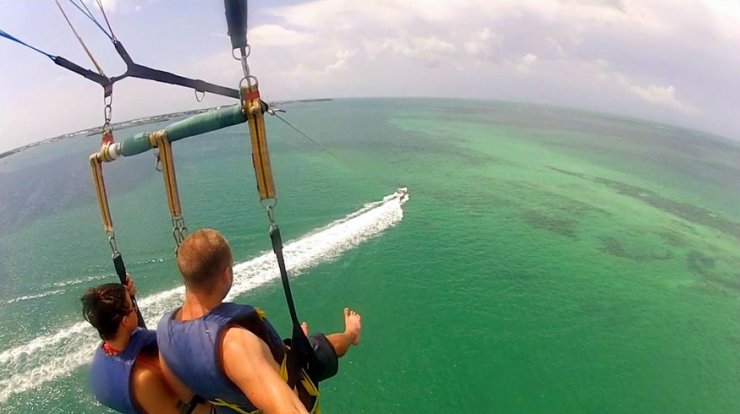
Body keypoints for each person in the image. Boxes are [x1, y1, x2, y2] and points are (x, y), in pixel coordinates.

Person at [157, 228, 362, 414]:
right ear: (227, 275)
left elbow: (184, 395)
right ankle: (351, 334)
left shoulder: (165, 329)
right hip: (286, 383)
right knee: (322, 349)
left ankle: (289, 350)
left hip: (229, 402)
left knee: (298, 346)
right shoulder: (234, 344)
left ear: (186, 278)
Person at [81, 276, 211, 414]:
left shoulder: (109, 348)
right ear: (125, 321)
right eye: (133, 306)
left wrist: (126, 295)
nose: (135, 307)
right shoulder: (143, 378)